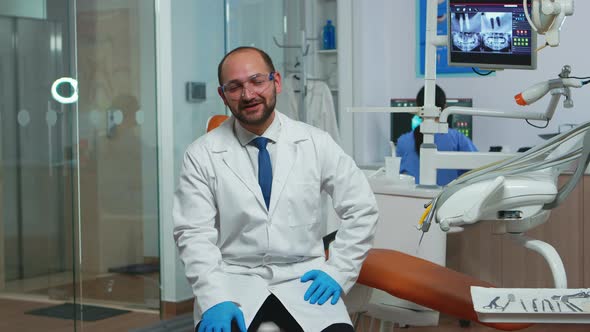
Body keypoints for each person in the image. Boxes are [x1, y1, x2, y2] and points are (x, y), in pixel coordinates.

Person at [173, 46, 379, 332]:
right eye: (235, 87)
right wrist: (214, 298)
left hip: (303, 279)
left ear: (276, 82)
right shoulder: (202, 154)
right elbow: (193, 233)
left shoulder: (316, 143)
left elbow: (362, 208)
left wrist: (338, 270)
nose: (248, 95)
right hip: (234, 279)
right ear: (223, 95)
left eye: (257, 81)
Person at [396, 85, 478, 186]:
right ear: (445, 107)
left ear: (418, 108)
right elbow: (478, 171)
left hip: (413, 199)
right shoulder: (457, 139)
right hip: (446, 200)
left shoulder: (403, 142)